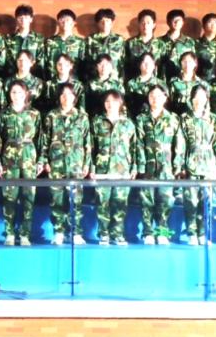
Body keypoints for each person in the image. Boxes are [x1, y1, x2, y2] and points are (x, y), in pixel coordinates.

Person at [39, 83, 92, 245]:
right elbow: (44, 141)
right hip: (56, 164)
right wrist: (45, 160)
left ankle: (76, 232)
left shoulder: (82, 117)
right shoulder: (51, 116)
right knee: (56, 199)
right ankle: (59, 231)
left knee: (76, 199)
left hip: (76, 163)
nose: (66, 98)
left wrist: (86, 164)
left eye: (69, 94)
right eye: (63, 95)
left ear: (75, 98)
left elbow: (87, 142)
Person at [135, 84, 185, 245]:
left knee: (166, 201)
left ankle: (162, 232)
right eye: (151, 96)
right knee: (146, 201)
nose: (155, 99)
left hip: (166, 166)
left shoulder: (173, 119)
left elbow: (179, 144)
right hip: (148, 166)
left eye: (158, 96)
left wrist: (177, 165)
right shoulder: (141, 119)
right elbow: (138, 143)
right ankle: (148, 233)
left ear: (165, 98)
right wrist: (141, 165)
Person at [90, 91, 140, 246]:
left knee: (120, 204)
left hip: (122, 169)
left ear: (120, 103)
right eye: (107, 101)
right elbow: (91, 147)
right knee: (102, 203)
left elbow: (134, 147)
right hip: (102, 169)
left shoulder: (128, 124)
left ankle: (117, 234)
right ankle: (104, 234)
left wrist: (134, 167)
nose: (110, 104)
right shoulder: (97, 122)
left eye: (114, 101)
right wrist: (91, 167)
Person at [0, 80, 42, 246]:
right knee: (10, 196)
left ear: (26, 94)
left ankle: (25, 234)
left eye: (20, 92)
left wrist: (41, 160)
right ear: (9, 94)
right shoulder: (3, 114)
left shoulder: (34, 114)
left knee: (29, 196)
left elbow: (41, 139)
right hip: (9, 158)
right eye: (13, 92)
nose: (16, 95)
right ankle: (9, 233)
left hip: (29, 158)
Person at [179, 85, 216, 246]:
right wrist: (180, 166)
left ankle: (204, 233)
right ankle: (192, 232)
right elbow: (180, 143)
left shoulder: (214, 119)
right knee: (190, 201)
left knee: (206, 201)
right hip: (191, 163)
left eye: (202, 97)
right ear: (191, 99)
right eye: (196, 97)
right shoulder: (184, 118)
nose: (199, 100)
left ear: (207, 99)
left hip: (209, 165)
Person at [123, 9, 169, 84]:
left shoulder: (161, 44)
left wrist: (162, 84)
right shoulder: (130, 43)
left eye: (148, 23)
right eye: (143, 23)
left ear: (154, 25)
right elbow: (125, 66)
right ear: (139, 24)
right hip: (135, 84)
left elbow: (163, 68)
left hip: (154, 84)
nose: (145, 26)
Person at [42, 9, 86, 81]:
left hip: (73, 81)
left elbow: (83, 65)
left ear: (73, 23)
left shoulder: (80, 42)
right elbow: (44, 63)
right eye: (62, 19)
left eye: (68, 20)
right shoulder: (49, 41)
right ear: (58, 22)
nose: (65, 22)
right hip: (53, 81)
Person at [4, 4, 46, 79]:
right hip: (13, 78)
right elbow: (7, 61)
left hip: (33, 79)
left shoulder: (38, 39)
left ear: (31, 19)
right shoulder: (9, 39)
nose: (23, 20)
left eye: (26, 17)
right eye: (20, 17)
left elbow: (40, 61)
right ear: (16, 19)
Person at [84, 8, 125, 82]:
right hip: (96, 80)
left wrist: (121, 79)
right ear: (97, 23)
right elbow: (87, 60)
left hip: (114, 79)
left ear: (112, 23)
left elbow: (123, 61)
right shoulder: (90, 40)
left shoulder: (119, 39)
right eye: (101, 21)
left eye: (107, 21)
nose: (105, 24)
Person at [158, 9, 197, 82]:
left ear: (183, 22)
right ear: (168, 22)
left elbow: (193, 62)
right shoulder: (158, 41)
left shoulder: (189, 42)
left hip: (181, 81)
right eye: (173, 20)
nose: (176, 22)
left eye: (178, 20)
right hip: (163, 80)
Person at [125, 52, 167, 118]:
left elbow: (165, 104)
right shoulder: (131, 83)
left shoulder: (161, 83)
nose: (147, 65)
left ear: (154, 65)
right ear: (140, 65)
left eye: (150, 62)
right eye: (144, 62)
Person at [168, 51, 208, 116]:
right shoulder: (174, 82)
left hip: (195, 117)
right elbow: (169, 101)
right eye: (184, 61)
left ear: (195, 64)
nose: (187, 64)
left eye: (190, 61)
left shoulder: (202, 84)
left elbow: (207, 104)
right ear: (181, 63)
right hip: (177, 116)